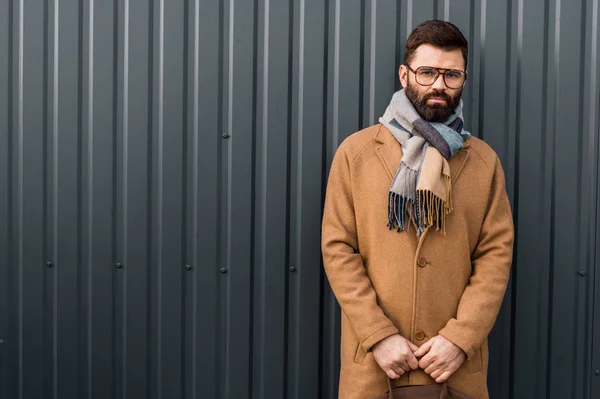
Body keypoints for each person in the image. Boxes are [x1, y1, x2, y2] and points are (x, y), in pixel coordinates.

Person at [321, 20, 514, 399]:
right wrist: (378, 336)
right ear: (404, 74)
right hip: (377, 367)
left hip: (453, 369)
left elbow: (495, 255)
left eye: (451, 74)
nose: (439, 84)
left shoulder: (483, 161)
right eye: (427, 72)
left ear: (463, 79)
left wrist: (461, 338)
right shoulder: (356, 153)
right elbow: (338, 249)